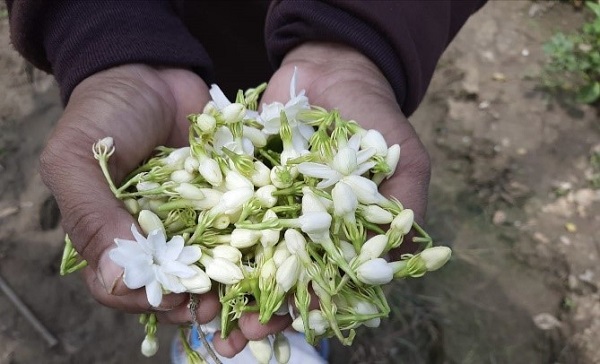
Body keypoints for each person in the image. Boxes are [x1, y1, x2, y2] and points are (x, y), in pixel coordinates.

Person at [6, 0, 486, 361]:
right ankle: (226, 311)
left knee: (263, 152)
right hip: (166, 44)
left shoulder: (318, 178)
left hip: (289, 92)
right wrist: (99, 34)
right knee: (190, 210)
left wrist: (353, 40)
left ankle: (277, 308)